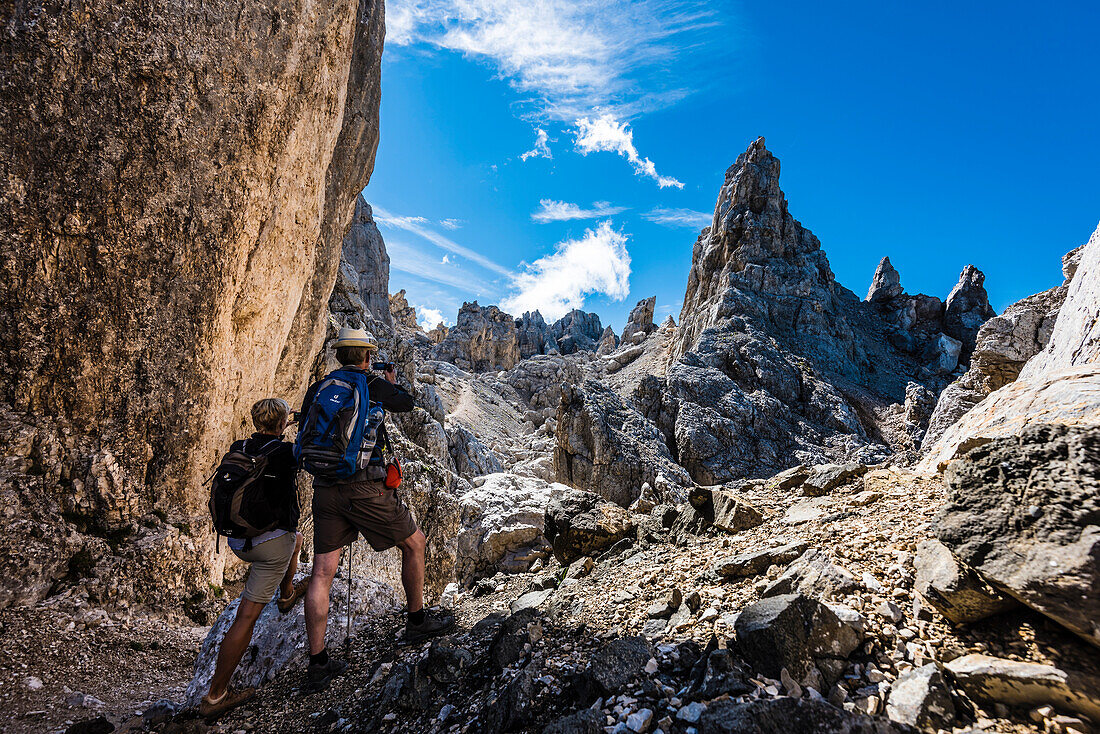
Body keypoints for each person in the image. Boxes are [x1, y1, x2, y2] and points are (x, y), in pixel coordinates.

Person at [301, 328, 453, 690]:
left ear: (340, 356)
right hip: (363, 486)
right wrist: (390, 382)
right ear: (367, 356)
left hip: (323, 488)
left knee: (322, 572)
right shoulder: (370, 384)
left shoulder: (320, 388)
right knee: (415, 543)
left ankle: (317, 663)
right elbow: (407, 403)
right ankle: (416, 622)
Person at [199, 398, 308, 719]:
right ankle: (215, 696)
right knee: (246, 617)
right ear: (282, 423)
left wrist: (280, 427)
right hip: (272, 546)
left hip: (236, 539)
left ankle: (286, 594)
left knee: (297, 539)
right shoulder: (286, 454)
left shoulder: (240, 445)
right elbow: (301, 456)